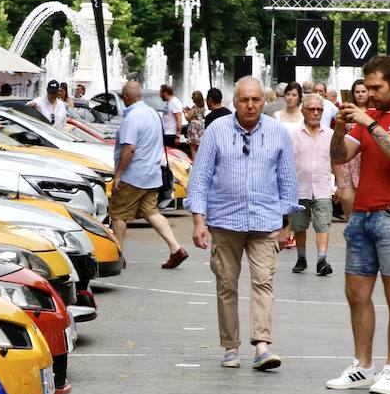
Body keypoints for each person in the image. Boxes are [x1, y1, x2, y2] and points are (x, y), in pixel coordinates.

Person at [326, 54, 390, 394]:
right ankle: (362, 365)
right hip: (362, 215)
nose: (369, 95)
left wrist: (370, 124)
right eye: (366, 87)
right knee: (356, 294)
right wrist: (341, 127)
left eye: (376, 88)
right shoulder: (368, 116)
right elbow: (340, 156)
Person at [187, 77, 298, 372]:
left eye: (256, 100)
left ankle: (262, 346)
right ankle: (230, 346)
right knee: (226, 284)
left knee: (263, 281)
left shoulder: (277, 132)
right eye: (244, 100)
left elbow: (287, 179)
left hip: (265, 220)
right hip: (225, 221)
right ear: (234, 102)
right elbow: (199, 178)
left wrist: (288, 222)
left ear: (263, 101)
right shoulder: (216, 131)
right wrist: (199, 219)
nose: (250, 105)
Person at [111, 80, 187, 268]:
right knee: (151, 212)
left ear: (126, 97)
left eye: (122, 97)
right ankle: (176, 248)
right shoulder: (153, 114)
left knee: (118, 214)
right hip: (151, 174)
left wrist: (118, 174)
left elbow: (130, 148)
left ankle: (117, 254)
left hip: (133, 175)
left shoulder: (132, 117)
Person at [289, 93, 335, 276]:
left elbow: (336, 161)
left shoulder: (330, 134)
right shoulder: (293, 134)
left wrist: (339, 183)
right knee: (299, 226)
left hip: (323, 186)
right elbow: (286, 161)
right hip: (300, 187)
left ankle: (322, 260)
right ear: (303, 111)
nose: (316, 113)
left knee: (323, 224)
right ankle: (301, 258)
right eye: (312, 109)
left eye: (319, 110)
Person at [333, 79, 370, 217]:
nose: (360, 95)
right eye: (357, 92)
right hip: (349, 160)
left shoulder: (374, 111)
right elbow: (338, 139)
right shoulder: (347, 111)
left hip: (367, 159)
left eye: (363, 91)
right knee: (348, 198)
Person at [184, 90, 207, 159]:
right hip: (201, 126)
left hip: (194, 126)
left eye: (192, 97)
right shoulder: (203, 107)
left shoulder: (194, 108)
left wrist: (185, 112)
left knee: (193, 147)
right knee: (199, 146)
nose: (192, 98)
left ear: (195, 99)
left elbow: (188, 118)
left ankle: (195, 164)